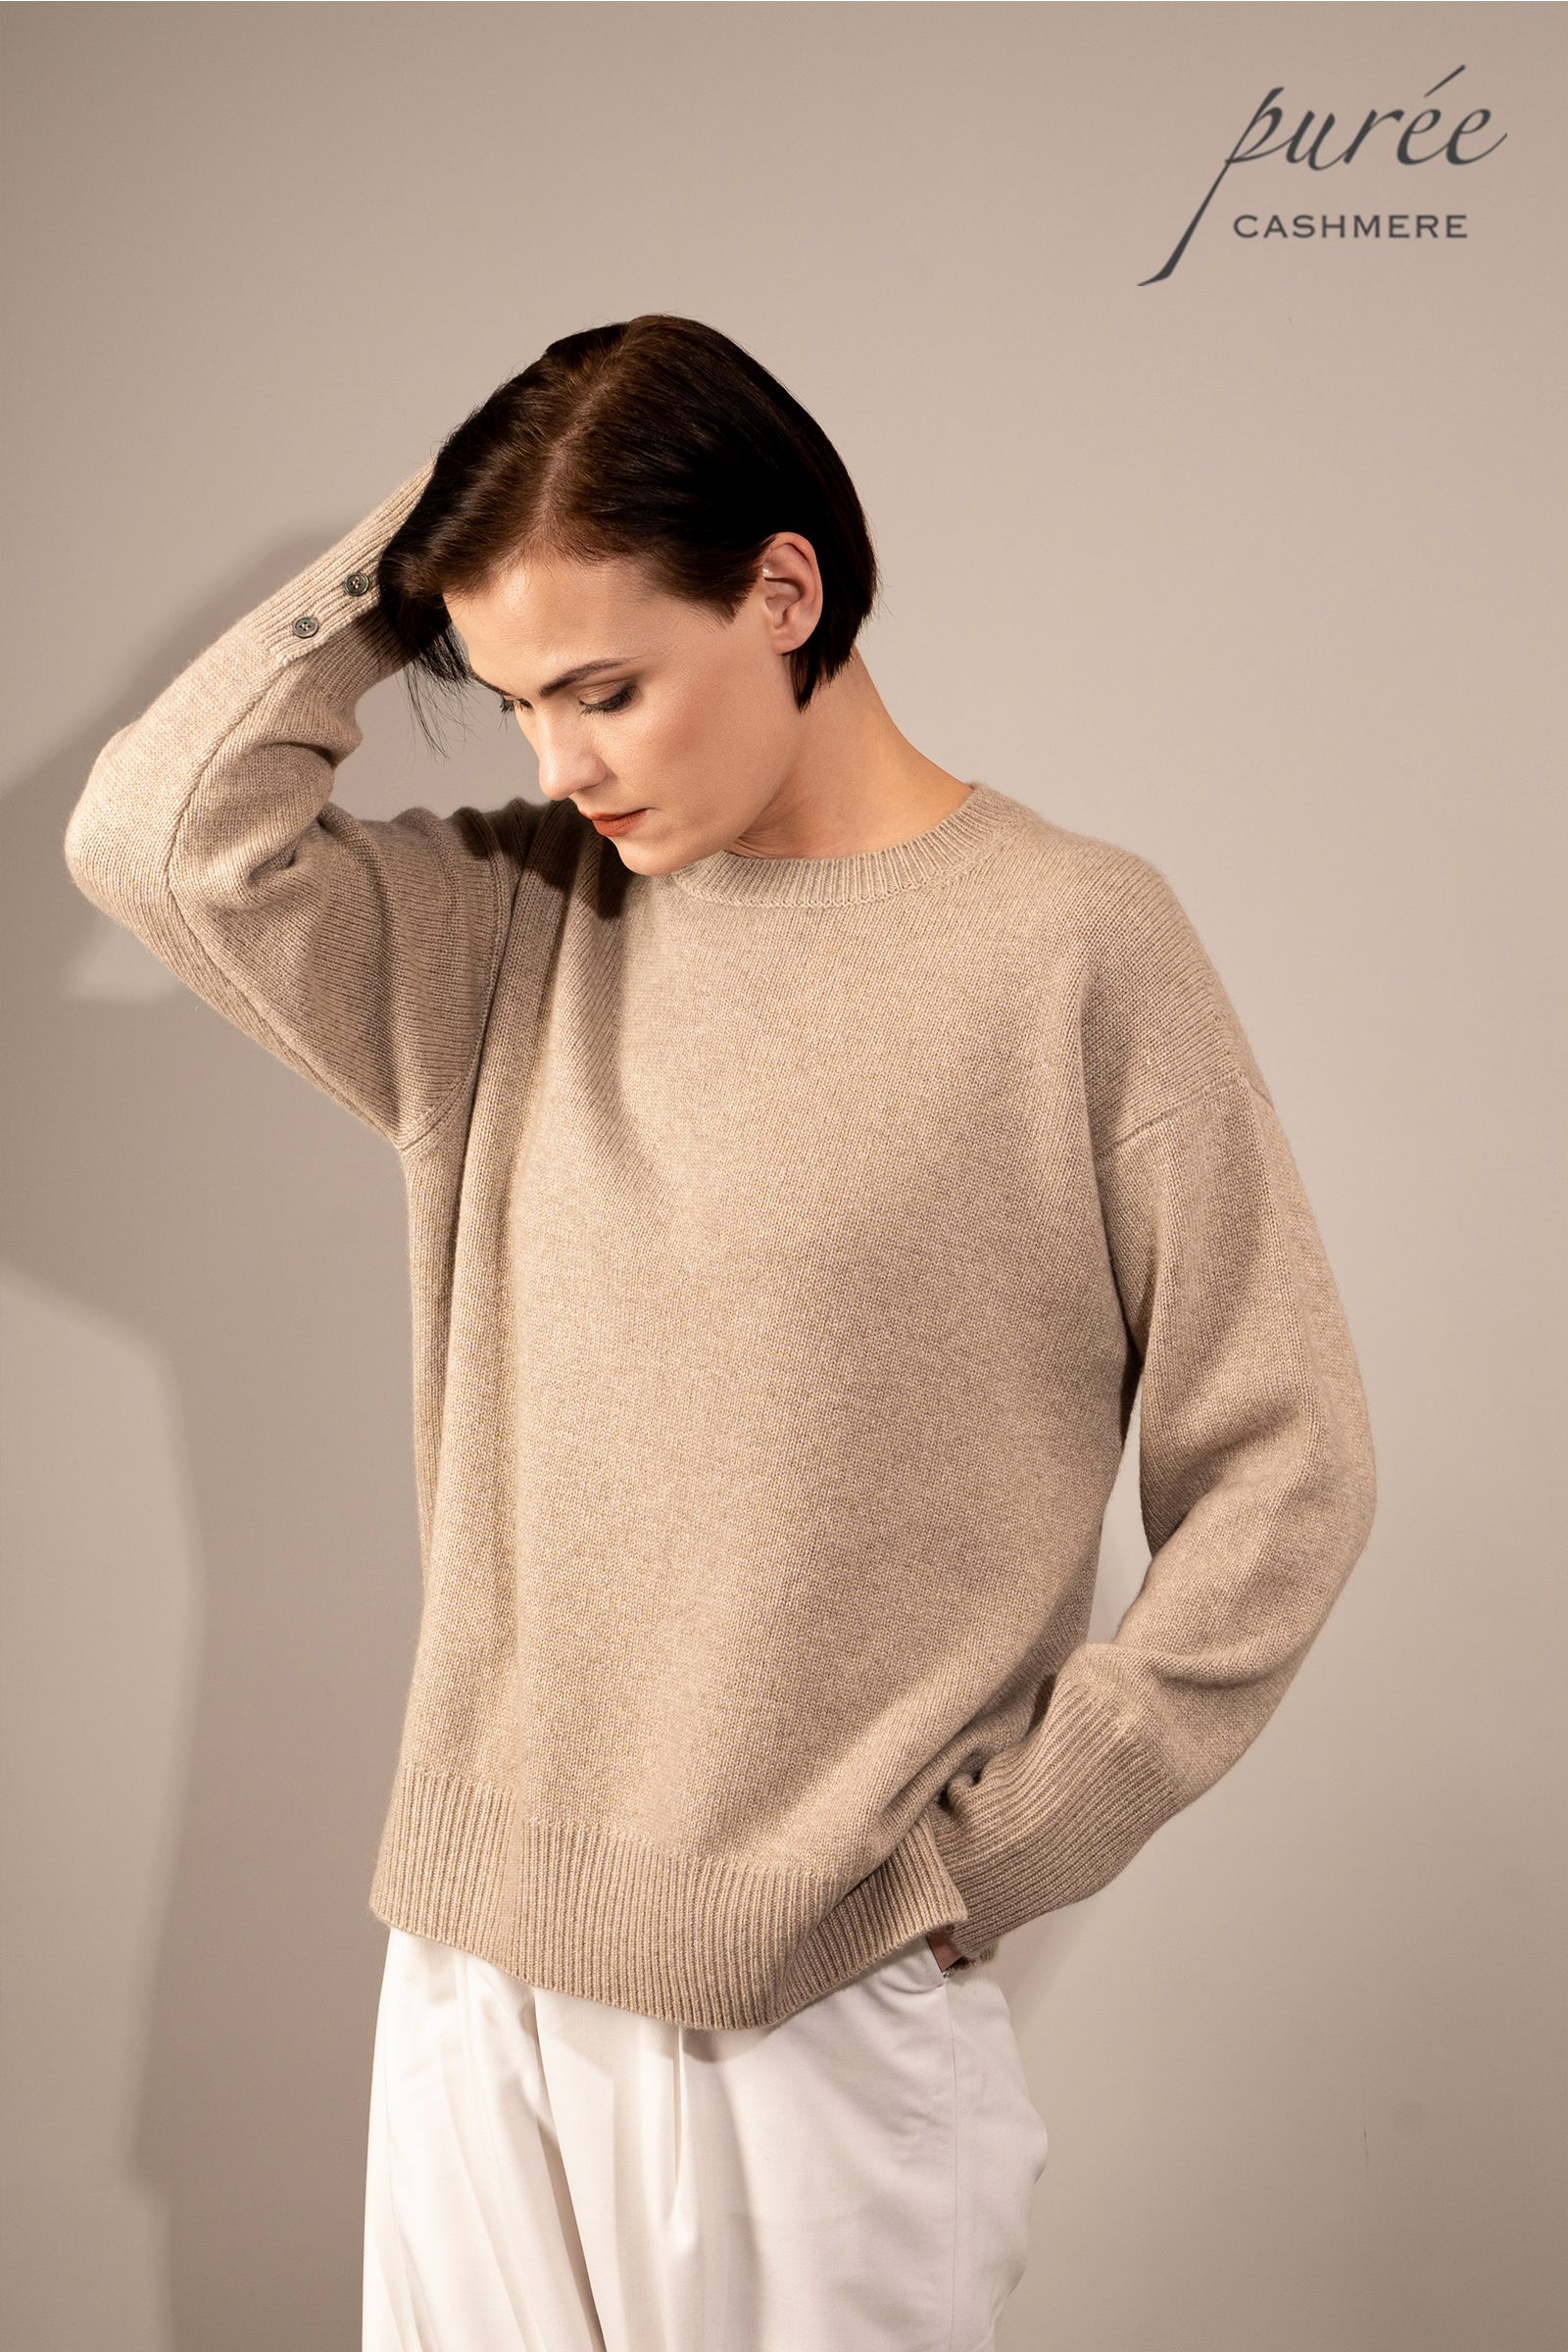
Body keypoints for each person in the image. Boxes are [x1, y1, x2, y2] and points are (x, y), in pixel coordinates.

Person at [65, 315, 1376, 2352]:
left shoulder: (1069, 945)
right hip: (474, 1974)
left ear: (783, 590)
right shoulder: (510, 932)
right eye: (511, 702)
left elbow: (1287, 1462)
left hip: (808, 2008)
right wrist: (438, 533)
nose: (556, 765)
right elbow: (159, 837)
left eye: (603, 690)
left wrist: (1002, 1856)